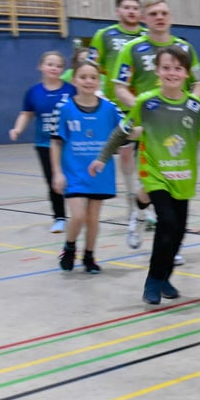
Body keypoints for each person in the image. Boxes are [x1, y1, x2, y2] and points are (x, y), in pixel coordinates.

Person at [91, 46, 200, 305]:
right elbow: (121, 132)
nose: (172, 72)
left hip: (183, 180)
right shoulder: (146, 103)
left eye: (178, 68)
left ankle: (165, 277)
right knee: (167, 224)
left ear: (186, 74)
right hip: (155, 175)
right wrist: (102, 158)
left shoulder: (194, 106)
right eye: (166, 67)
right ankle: (153, 280)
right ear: (157, 71)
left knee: (179, 232)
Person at [113, 0, 200, 251]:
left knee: (175, 178)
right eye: (153, 13)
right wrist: (146, 114)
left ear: (171, 17)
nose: (159, 17)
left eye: (164, 12)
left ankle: (164, 237)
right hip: (150, 127)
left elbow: (199, 82)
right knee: (155, 181)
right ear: (144, 18)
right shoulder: (132, 48)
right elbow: (119, 87)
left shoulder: (184, 49)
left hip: (180, 127)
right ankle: (142, 217)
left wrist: (187, 107)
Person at [50, 59, 123, 273]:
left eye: (93, 77)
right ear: (74, 80)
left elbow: (126, 130)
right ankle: (69, 247)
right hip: (73, 172)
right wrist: (57, 173)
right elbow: (56, 142)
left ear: (99, 80)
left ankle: (89, 256)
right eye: (83, 77)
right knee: (78, 215)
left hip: (100, 171)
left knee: (93, 218)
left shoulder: (110, 108)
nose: (88, 81)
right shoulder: (63, 108)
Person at [88, 0, 146, 230]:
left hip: (143, 105)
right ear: (117, 12)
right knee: (123, 154)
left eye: (135, 8)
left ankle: (144, 204)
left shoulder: (146, 36)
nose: (131, 11)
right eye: (126, 7)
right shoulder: (105, 35)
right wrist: (98, 93)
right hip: (116, 105)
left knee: (147, 155)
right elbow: (91, 65)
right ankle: (131, 205)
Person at [8, 51, 75, 233]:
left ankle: (79, 215)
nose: (54, 68)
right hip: (45, 144)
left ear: (63, 69)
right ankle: (59, 217)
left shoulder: (70, 90)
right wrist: (18, 129)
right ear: (41, 66)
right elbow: (26, 114)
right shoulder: (33, 92)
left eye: (58, 65)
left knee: (74, 179)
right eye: (50, 64)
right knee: (53, 181)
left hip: (70, 144)